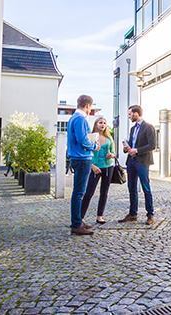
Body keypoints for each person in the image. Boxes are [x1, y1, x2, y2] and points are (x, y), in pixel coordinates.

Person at [119, 105, 157, 226]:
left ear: (136, 113)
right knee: (131, 188)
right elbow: (132, 144)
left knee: (146, 187)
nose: (129, 116)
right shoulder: (132, 129)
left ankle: (150, 214)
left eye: (130, 114)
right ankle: (133, 214)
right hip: (131, 161)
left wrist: (137, 150)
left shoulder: (148, 127)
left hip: (142, 161)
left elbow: (152, 145)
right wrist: (127, 148)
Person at [67, 95, 99, 236]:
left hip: (77, 157)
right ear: (87, 106)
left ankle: (78, 220)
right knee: (79, 193)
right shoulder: (80, 119)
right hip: (82, 158)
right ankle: (76, 224)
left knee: (78, 192)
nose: (90, 110)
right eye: (90, 107)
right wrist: (94, 145)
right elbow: (83, 140)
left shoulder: (73, 118)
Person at [80, 116, 116, 224]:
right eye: (100, 122)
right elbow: (86, 153)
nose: (103, 124)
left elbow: (113, 152)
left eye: (104, 123)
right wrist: (91, 166)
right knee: (89, 192)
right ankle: (80, 217)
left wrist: (111, 155)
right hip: (95, 167)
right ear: (96, 124)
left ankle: (100, 216)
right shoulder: (90, 137)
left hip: (108, 167)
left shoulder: (109, 138)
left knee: (104, 192)